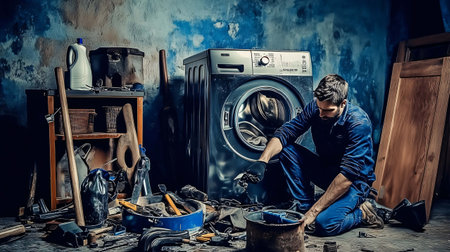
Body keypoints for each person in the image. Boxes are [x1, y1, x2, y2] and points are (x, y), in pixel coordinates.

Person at [243, 74, 384, 236]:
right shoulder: (316, 108)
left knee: (325, 225)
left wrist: (314, 213)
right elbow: (286, 132)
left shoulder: (359, 123)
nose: (321, 114)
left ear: (343, 104)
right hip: (328, 171)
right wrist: (262, 161)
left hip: (353, 182)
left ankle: (364, 212)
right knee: (287, 148)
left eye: (328, 110)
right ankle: (304, 206)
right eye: (319, 108)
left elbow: (347, 176)